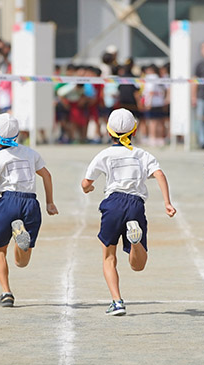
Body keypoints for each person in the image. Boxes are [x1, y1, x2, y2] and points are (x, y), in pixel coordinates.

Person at [81, 108, 176, 316]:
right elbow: (159, 174)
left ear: (109, 132)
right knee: (138, 265)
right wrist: (167, 202)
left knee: (109, 257)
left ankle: (117, 302)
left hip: (112, 203)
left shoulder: (105, 154)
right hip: (135, 204)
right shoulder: (141, 154)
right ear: (135, 131)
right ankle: (134, 241)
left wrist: (88, 188)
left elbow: (86, 182)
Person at [0, 113, 59, 307]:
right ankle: (20, 238)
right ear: (17, 134)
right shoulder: (30, 153)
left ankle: (6, 293)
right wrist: (50, 203)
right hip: (31, 204)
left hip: (7, 201)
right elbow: (47, 175)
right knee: (22, 262)